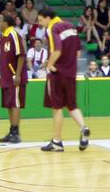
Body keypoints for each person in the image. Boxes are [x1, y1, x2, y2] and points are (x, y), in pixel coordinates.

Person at [37, 8, 91, 152]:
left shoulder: (52, 28)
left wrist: (49, 64)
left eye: (41, 20)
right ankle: (83, 127)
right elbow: (78, 52)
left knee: (57, 107)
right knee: (72, 104)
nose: (40, 23)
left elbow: (58, 50)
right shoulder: (71, 26)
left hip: (57, 73)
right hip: (71, 72)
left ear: (48, 18)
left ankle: (57, 141)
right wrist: (68, 64)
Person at [0, 12, 28, 144]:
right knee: (9, 104)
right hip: (6, 77)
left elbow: (21, 55)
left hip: (15, 77)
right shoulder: (3, 37)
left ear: (6, 23)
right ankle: (11, 131)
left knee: (15, 104)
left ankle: (16, 132)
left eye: (0, 20)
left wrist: (18, 74)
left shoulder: (13, 35)